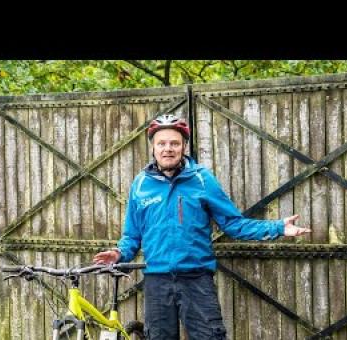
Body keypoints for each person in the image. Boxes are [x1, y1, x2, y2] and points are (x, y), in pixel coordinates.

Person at [93, 114, 311, 340]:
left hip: (195, 279)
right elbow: (132, 235)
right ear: (153, 147)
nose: (168, 149)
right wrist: (119, 253)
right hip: (156, 281)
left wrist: (277, 228)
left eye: (174, 143)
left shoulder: (202, 179)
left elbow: (233, 224)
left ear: (184, 146)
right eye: (162, 143)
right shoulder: (140, 184)